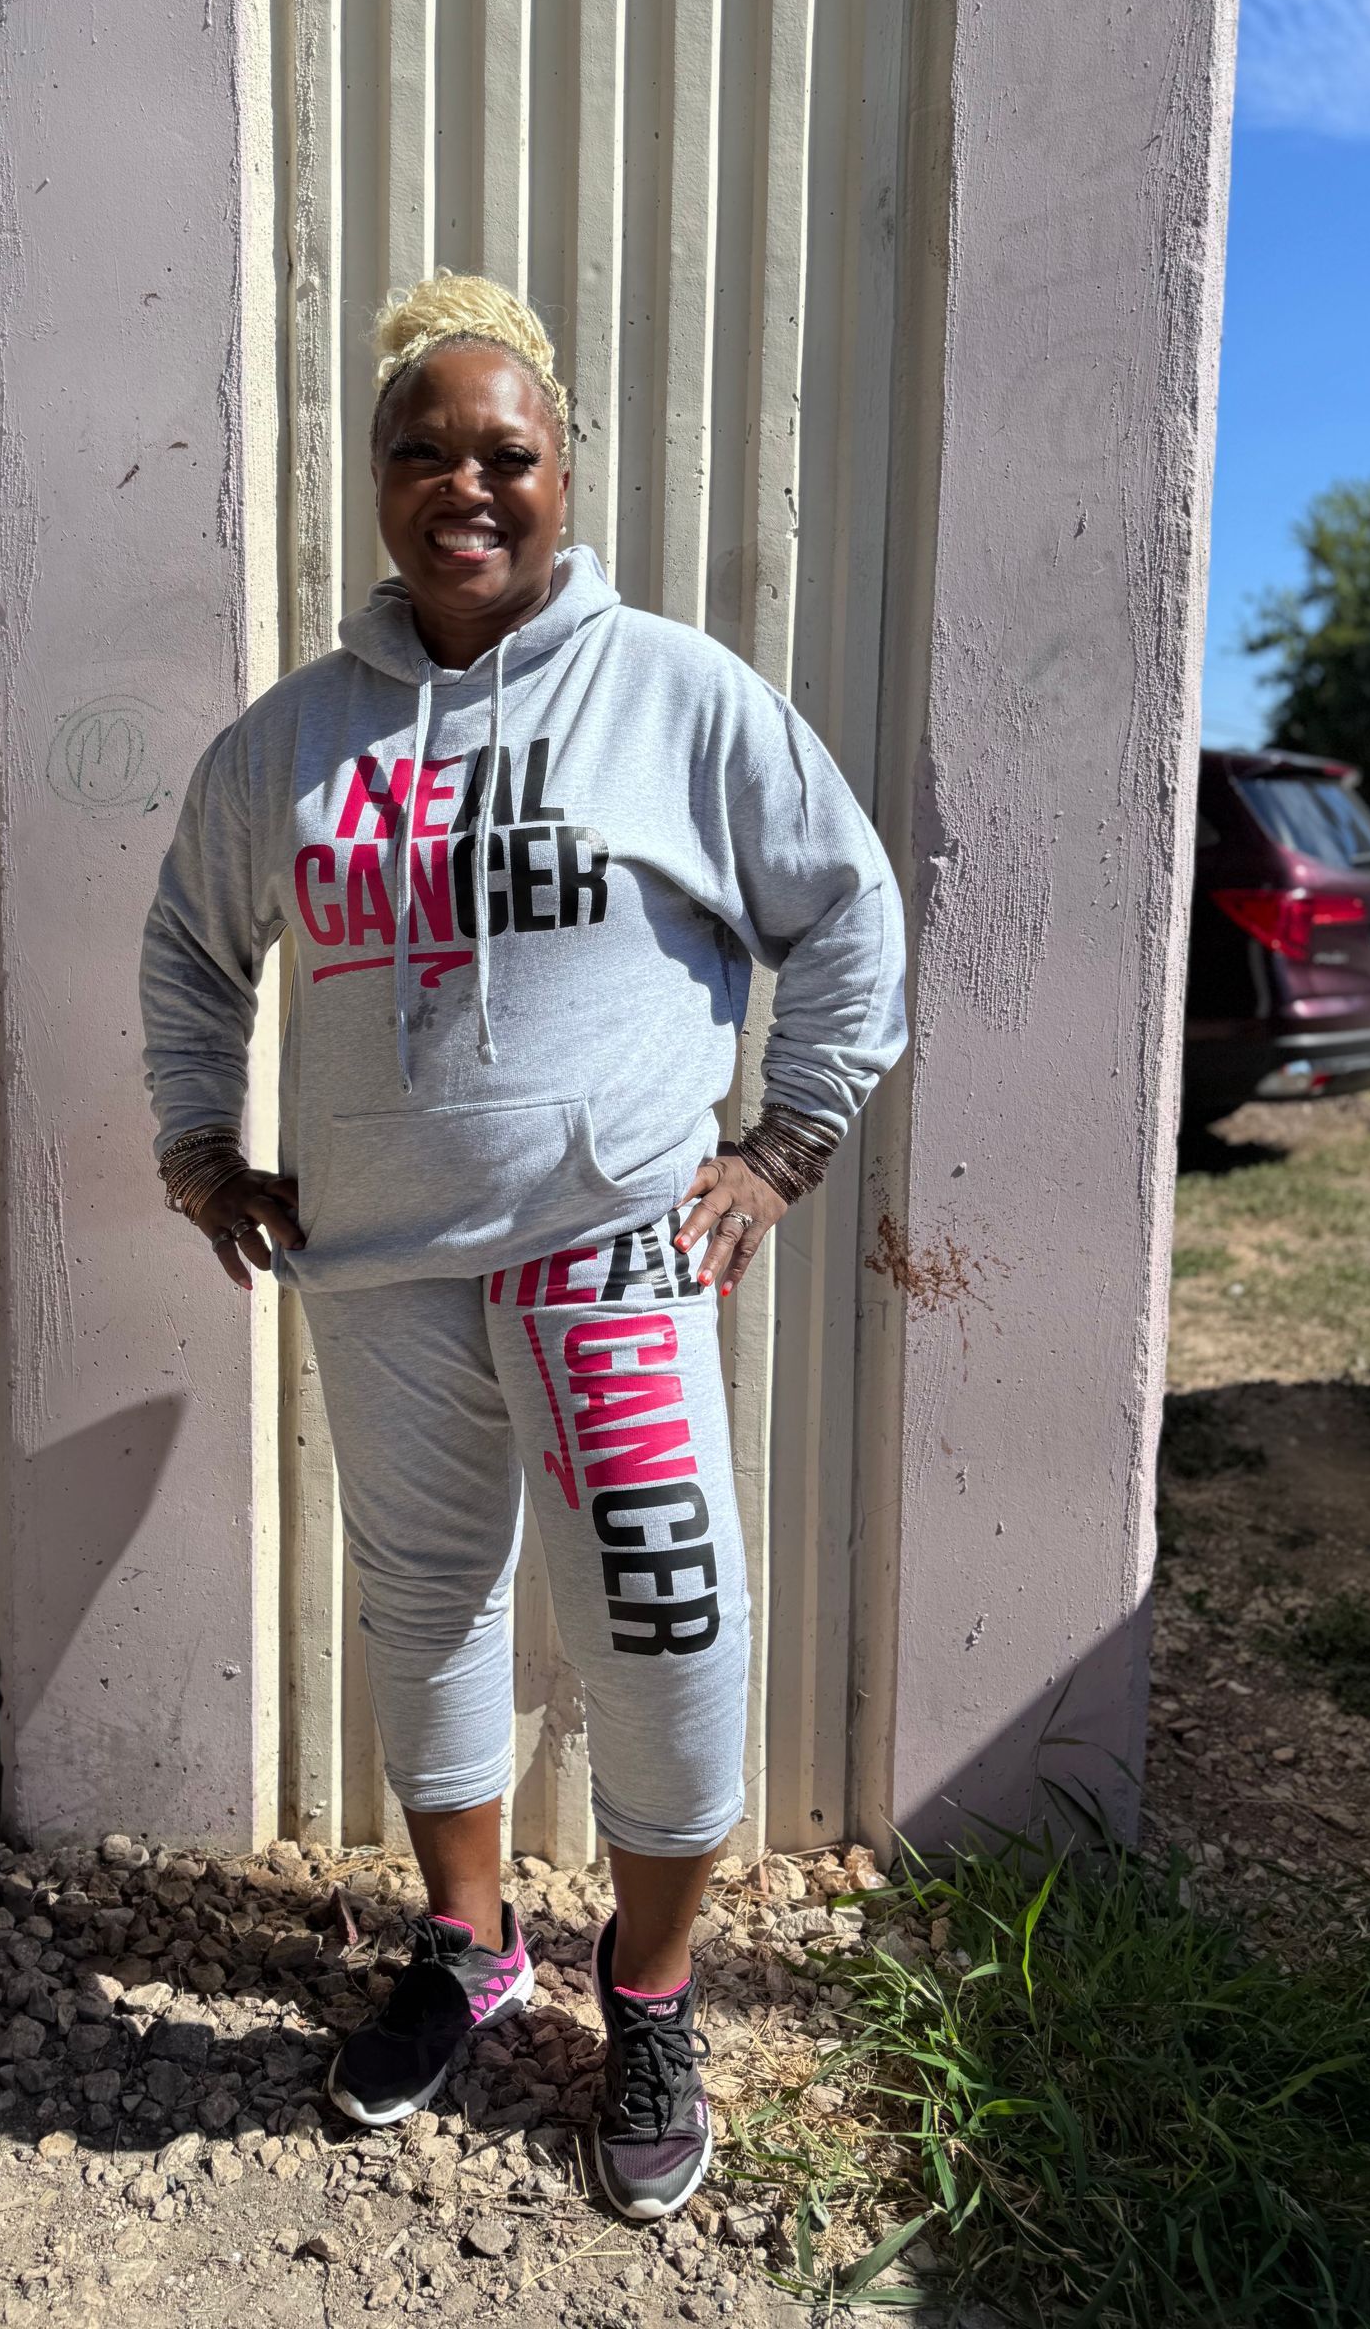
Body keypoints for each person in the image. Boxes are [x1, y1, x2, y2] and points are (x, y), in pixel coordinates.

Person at [141, 272, 906, 2221]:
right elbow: (191, 944)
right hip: (381, 1265)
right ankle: (469, 1944)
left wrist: (786, 1145)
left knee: (662, 1617)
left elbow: (845, 908)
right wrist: (201, 1144)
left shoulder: (677, 698)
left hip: (607, 1257)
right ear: (378, 480)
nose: (464, 484)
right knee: (425, 1609)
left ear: (565, 472)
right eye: (425, 451)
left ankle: (649, 1992)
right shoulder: (293, 741)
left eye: (506, 453)